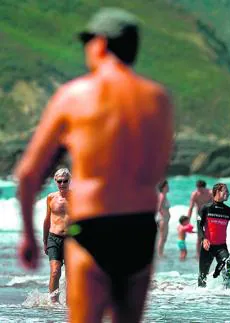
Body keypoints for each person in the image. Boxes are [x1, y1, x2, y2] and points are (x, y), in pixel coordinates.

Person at [14, 7, 173, 323]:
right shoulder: (159, 99)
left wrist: (29, 237)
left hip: (92, 227)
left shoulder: (74, 95)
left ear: (100, 44)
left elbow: (28, 174)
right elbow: (156, 168)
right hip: (140, 229)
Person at [43, 168, 71, 303]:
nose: (62, 184)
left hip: (71, 241)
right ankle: (53, 303)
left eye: (65, 181)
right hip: (53, 238)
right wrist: (44, 241)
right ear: (55, 181)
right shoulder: (50, 197)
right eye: (60, 181)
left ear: (69, 181)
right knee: (55, 272)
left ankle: (70, 303)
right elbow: (47, 220)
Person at [186, 179, 212, 259]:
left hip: (209, 215)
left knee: (209, 235)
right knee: (200, 236)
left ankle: (209, 253)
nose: (199, 190)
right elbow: (191, 207)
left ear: (205, 187)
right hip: (199, 215)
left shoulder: (210, 193)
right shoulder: (195, 194)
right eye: (198, 188)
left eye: (200, 189)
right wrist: (187, 221)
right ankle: (198, 254)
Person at [157, 180, 171, 258]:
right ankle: (160, 254)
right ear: (163, 187)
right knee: (162, 238)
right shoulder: (162, 196)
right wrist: (164, 216)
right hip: (163, 220)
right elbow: (159, 208)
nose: (168, 187)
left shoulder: (163, 195)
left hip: (164, 219)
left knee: (163, 238)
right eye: (167, 186)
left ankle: (160, 253)